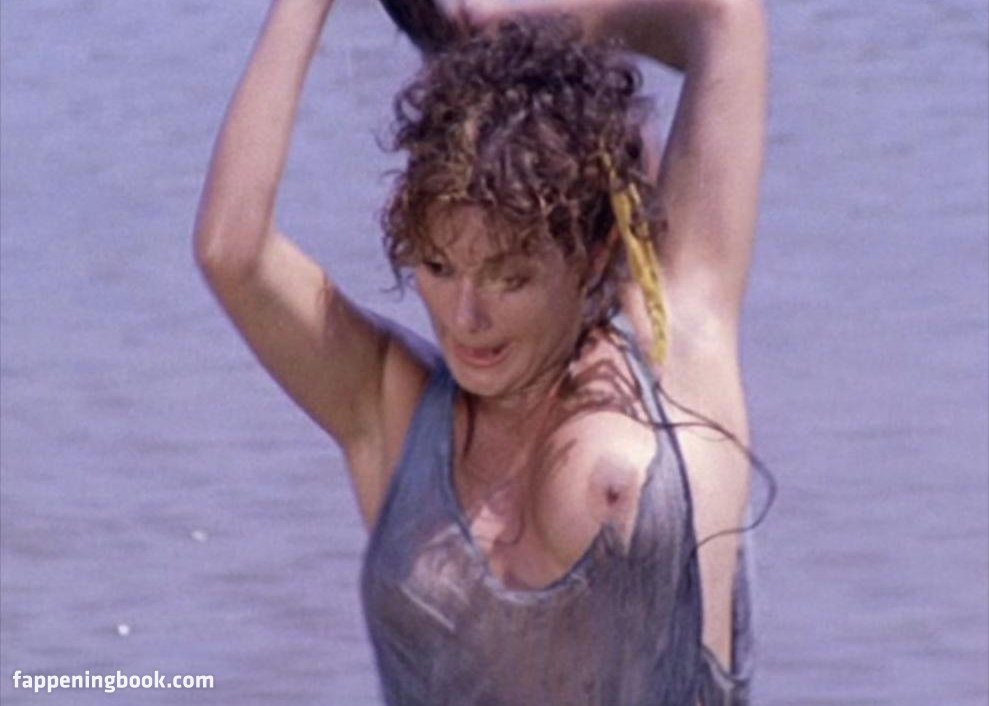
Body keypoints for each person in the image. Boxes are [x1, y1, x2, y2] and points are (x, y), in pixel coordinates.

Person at [194, 0, 768, 703]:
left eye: (510, 278)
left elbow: (725, 17)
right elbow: (231, 250)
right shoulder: (391, 406)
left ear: (593, 255)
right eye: (438, 268)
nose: (466, 318)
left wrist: (544, 25)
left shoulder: (676, 345)